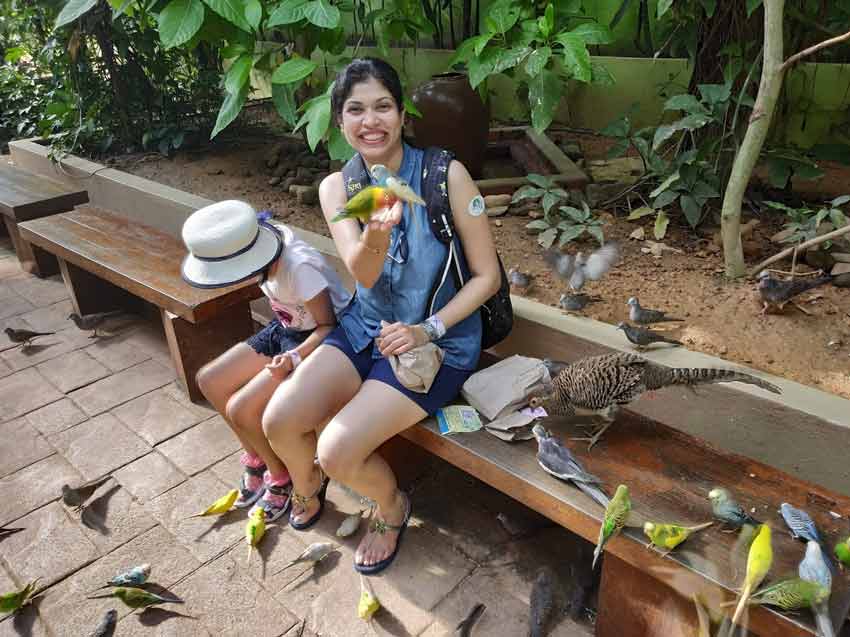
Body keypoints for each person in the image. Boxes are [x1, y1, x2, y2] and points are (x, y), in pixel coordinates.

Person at [262, 57, 501, 574]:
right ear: (339, 120)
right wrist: (376, 227)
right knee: (278, 421)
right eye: (356, 110)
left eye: (383, 107)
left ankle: (391, 507)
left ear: (401, 114)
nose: (370, 121)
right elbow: (364, 274)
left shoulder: (445, 176)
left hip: (437, 341)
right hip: (364, 328)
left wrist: (427, 329)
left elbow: (488, 277)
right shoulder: (339, 187)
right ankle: (307, 484)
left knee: (337, 450)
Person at [183, 200, 350, 521]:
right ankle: (258, 458)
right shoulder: (257, 242)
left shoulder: (299, 268)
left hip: (318, 339)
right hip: (286, 328)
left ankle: (282, 476)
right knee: (209, 380)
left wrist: (293, 358)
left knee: (241, 408)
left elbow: (328, 325)